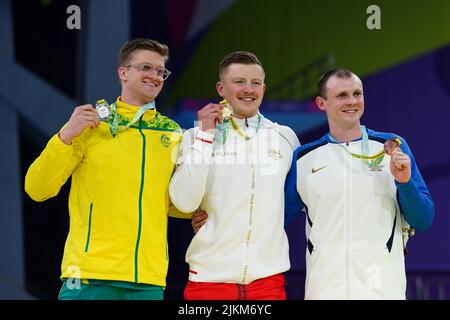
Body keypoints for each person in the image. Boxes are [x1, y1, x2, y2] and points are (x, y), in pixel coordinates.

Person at [25, 38, 183, 300]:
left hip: (148, 279)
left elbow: (172, 200)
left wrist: (200, 212)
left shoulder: (172, 133)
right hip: (89, 275)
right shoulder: (91, 125)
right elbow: (37, 189)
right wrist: (64, 137)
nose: (154, 76)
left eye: (160, 71)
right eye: (146, 67)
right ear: (124, 72)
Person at [284, 68, 435, 300]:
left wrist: (405, 184)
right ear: (321, 103)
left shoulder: (392, 146)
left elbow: (423, 219)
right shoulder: (305, 158)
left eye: (357, 93)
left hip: (382, 291)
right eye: (342, 95)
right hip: (324, 291)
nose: (352, 101)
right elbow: (273, 221)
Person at [169, 51, 300, 300]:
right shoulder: (194, 136)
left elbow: (302, 199)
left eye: (255, 82)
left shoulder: (285, 137)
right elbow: (184, 201)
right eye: (239, 81)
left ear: (264, 87)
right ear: (221, 88)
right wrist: (205, 137)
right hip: (208, 280)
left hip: (268, 282)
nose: (248, 89)